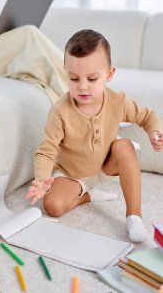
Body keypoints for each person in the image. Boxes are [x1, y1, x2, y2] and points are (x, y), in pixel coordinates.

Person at [25, 29, 163, 243]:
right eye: (73, 78)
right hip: (72, 174)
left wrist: (155, 132)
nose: (82, 86)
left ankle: (134, 216)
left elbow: (147, 116)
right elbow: (46, 150)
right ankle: (87, 195)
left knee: (124, 146)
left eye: (91, 78)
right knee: (52, 206)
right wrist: (42, 179)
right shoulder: (60, 111)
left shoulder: (117, 101)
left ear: (108, 75)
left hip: (106, 166)